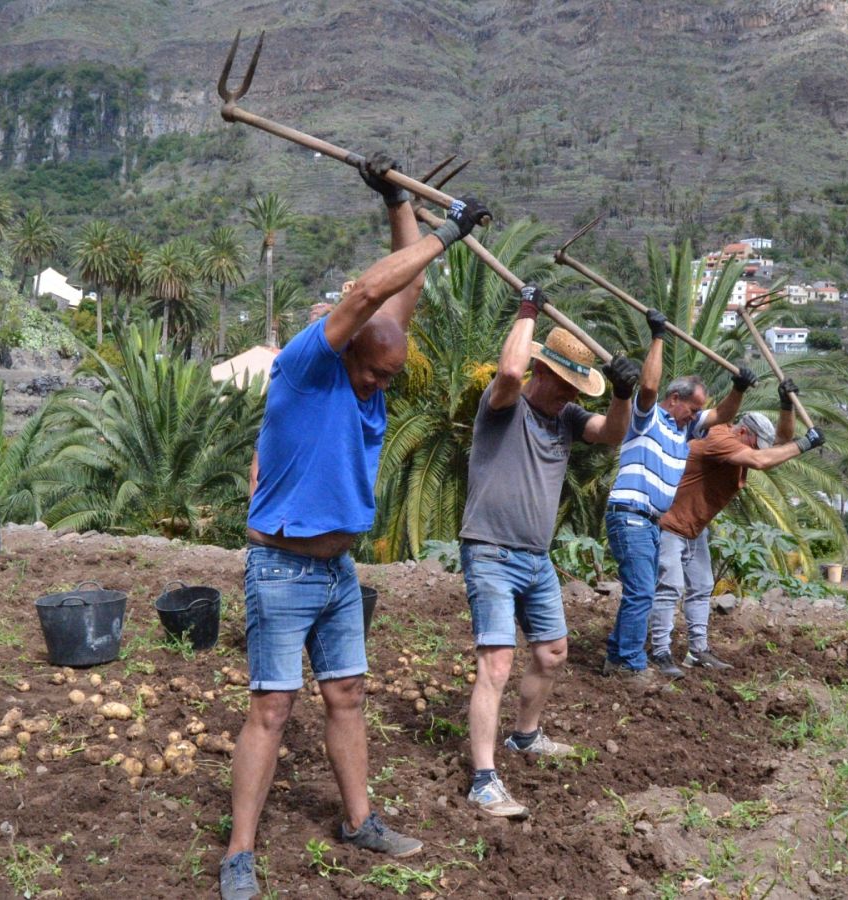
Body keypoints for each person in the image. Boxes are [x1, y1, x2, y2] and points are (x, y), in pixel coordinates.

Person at [220, 156, 490, 900]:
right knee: (272, 709)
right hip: (281, 569)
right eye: (373, 372)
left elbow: (403, 296)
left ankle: (360, 819)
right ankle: (239, 852)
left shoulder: (376, 365)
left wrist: (398, 204)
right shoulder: (310, 364)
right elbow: (370, 292)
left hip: (338, 573)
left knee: (347, 697)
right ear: (349, 351)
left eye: (389, 378)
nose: (378, 385)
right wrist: (449, 234)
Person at [459, 284, 636, 819]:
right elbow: (509, 372)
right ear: (542, 371)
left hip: (536, 560)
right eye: (563, 385)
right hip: (490, 551)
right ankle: (483, 780)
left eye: (575, 389)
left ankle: (525, 735)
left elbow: (612, 433)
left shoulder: (568, 419)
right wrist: (527, 311)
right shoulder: (503, 406)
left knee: (552, 652)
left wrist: (622, 394)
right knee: (496, 663)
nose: (568, 397)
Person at [602, 312, 758, 680]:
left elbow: (721, 414)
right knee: (643, 591)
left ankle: (616, 658)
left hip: (650, 521)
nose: (695, 416)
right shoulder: (647, 418)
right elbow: (649, 387)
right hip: (630, 514)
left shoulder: (684, 431)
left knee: (640, 590)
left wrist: (738, 388)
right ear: (675, 399)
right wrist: (658, 336)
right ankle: (631, 664)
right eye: (692, 409)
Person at [652, 380, 824, 673]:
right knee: (670, 588)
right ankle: (659, 652)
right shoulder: (719, 439)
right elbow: (760, 460)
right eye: (755, 444)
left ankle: (698, 651)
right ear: (743, 432)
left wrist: (786, 405)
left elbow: (780, 444)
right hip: (670, 524)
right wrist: (805, 444)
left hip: (694, 528)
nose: (758, 450)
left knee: (702, 586)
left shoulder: (742, 442)